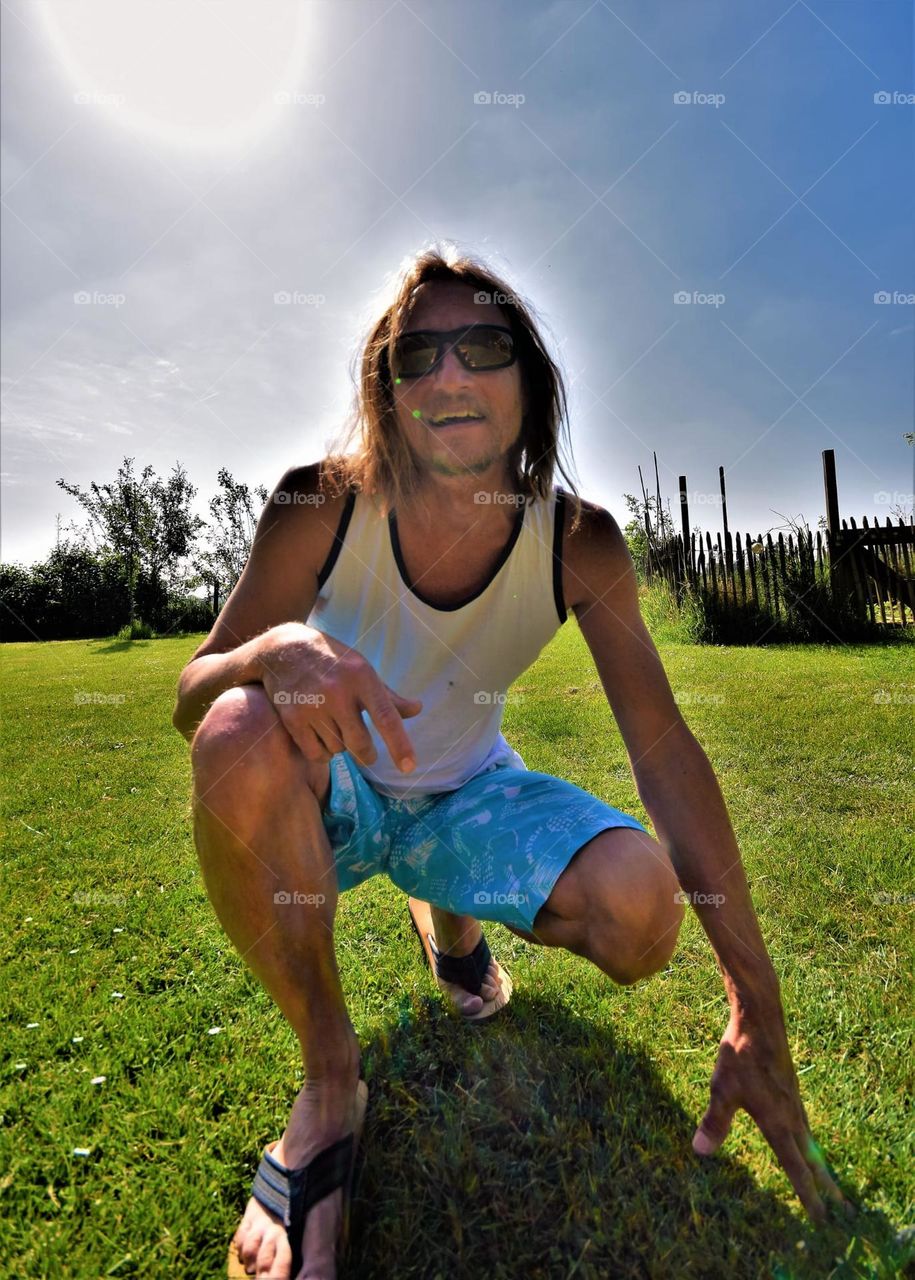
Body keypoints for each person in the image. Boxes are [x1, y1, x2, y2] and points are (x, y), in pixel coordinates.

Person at [172, 245, 852, 1279]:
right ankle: (330, 1077)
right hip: (338, 784)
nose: (448, 376)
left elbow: (664, 752)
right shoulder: (319, 503)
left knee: (640, 908)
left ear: (530, 383)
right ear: (387, 392)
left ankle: (447, 916)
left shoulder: (579, 543)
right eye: (416, 355)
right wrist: (272, 652)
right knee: (232, 733)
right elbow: (194, 692)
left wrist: (755, 1000)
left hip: (466, 792)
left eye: (482, 346)